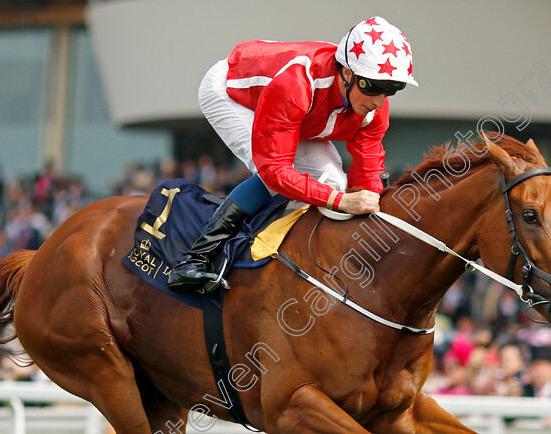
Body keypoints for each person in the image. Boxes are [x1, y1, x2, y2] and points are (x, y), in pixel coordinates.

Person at [168, 16, 417, 293]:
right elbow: (274, 170)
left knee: (333, 181)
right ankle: (194, 260)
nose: (379, 100)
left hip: (295, 108)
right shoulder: (298, 83)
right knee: (279, 178)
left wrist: (371, 218)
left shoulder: (375, 107)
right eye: (372, 86)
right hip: (232, 93)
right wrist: (340, 201)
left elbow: (368, 174)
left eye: (392, 88)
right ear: (347, 73)